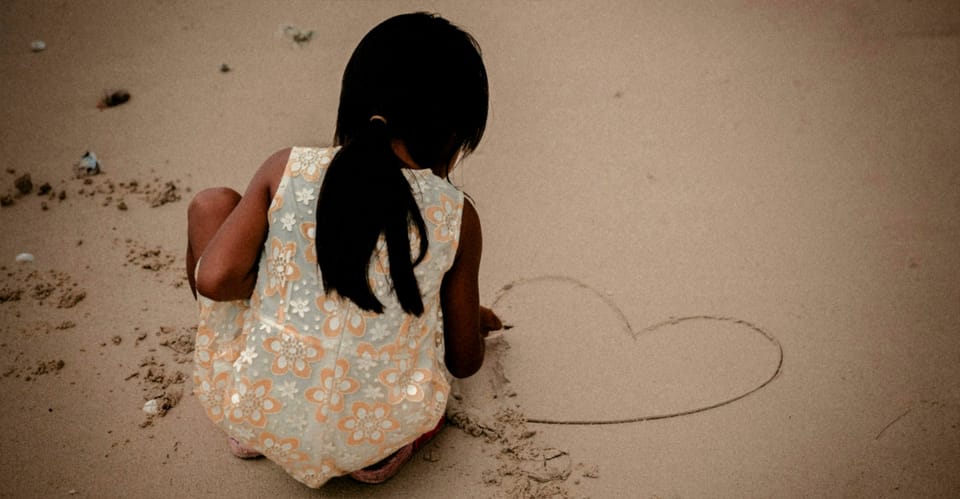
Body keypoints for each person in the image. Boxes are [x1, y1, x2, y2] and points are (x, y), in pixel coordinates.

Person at [184, 12, 502, 488]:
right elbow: (464, 361)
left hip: (257, 411)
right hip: (375, 439)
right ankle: (381, 456)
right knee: (408, 340)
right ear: (454, 136)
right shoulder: (456, 215)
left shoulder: (289, 167)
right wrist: (466, 319)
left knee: (213, 206)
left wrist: (274, 285)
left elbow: (214, 279)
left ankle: (259, 422)